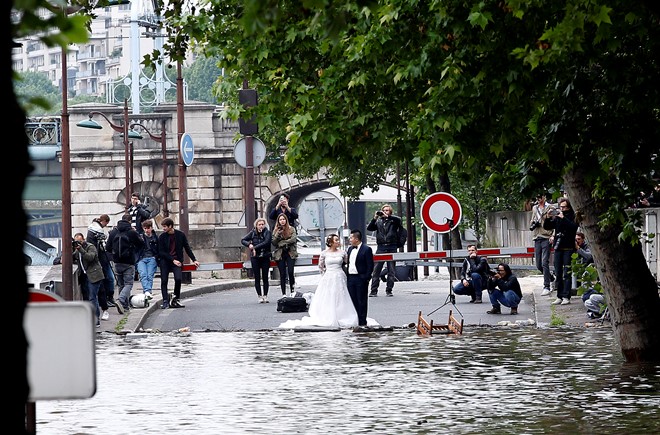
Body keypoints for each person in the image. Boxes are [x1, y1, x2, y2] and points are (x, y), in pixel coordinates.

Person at [279, 234, 379, 329]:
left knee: (344, 296)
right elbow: (320, 266)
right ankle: (329, 316)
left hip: (340, 275)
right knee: (329, 296)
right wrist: (324, 275)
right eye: (336, 240)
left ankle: (351, 317)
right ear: (331, 242)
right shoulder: (324, 253)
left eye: (338, 240)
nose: (338, 241)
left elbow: (348, 262)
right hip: (329, 275)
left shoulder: (343, 252)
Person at [158, 217, 200, 309]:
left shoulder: (180, 235)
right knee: (164, 281)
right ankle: (165, 300)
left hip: (177, 261)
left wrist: (194, 260)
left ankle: (175, 299)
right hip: (166, 261)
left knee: (178, 279)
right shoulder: (162, 237)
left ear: (170, 226)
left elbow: (187, 247)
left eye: (165, 226)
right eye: (163, 227)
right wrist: (172, 260)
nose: (163, 229)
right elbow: (161, 252)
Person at [543, 197, 579, 305]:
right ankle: (559, 295)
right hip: (558, 247)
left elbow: (573, 228)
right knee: (558, 272)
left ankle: (566, 296)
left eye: (564, 207)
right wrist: (548, 217)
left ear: (568, 207)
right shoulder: (558, 216)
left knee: (567, 273)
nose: (561, 209)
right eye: (560, 207)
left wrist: (563, 218)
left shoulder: (572, 216)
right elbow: (548, 227)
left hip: (568, 247)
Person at [106, 214, 144, 313]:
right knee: (128, 284)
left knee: (121, 284)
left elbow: (108, 247)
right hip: (129, 261)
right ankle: (121, 300)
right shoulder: (131, 232)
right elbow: (141, 244)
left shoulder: (114, 231)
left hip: (117, 262)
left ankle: (124, 307)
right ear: (130, 221)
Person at [367, 203, 402, 297]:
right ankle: (373, 290)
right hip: (381, 247)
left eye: (387, 210)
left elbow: (399, 220)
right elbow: (369, 228)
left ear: (390, 211)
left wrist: (388, 216)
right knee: (376, 270)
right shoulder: (378, 221)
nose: (385, 212)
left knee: (391, 270)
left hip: (392, 247)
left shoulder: (394, 221)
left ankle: (389, 290)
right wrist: (374, 218)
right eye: (384, 210)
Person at [72, 232, 105, 327]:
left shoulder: (90, 247)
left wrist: (81, 249)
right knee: (87, 298)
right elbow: (72, 257)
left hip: (94, 275)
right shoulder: (77, 250)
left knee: (92, 297)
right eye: (76, 242)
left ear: (83, 239)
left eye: (80, 241)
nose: (78, 244)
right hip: (84, 276)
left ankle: (96, 319)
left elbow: (90, 257)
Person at [86, 214, 116, 310]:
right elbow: (102, 248)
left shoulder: (92, 229)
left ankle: (106, 300)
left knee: (105, 280)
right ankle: (108, 299)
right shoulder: (98, 231)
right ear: (104, 221)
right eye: (106, 224)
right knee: (108, 279)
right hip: (101, 260)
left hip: (99, 260)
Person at [346, 229, 375, 326]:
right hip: (351, 277)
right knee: (352, 300)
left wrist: (366, 278)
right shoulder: (350, 249)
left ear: (356, 239)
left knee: (361, 300)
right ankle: (355, 320)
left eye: (351, 238)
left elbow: (370, 265)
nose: (349, 240)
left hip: (360, 278)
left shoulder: (366, 249)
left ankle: (362, 322)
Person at [530, 193, 556, 296]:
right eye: (537, 197)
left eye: (540, 197)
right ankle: (552, 278)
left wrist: (553, 235)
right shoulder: (535, 208)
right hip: (537, 237)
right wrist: (533, 223)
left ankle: (546, 286)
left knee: (545, 262)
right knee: (538, 264)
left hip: (546, 236)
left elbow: (555, 222)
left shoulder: (551, 207)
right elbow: (532, 220)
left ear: (544, 197)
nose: (539, 199)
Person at [241, 217, 272, 303]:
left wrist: (255, 247)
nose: (261, 226)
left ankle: (265, 295)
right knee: (257, 277)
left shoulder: (267, 233)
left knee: (265, 277)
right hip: (255, 257)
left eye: (262, 224)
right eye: (259, 225)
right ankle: (259, 296)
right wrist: (249, 245)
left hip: (265, 256)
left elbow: (266, 242)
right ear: (256, 226)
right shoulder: (253, 233)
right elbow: (243, 240)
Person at [272, 213, 298, 297]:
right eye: (280, 220)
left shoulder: (291, 229)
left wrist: (283, 242)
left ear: (286, 220)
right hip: (280, 254)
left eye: (283, 219)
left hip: (290, 253)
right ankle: (283, 293)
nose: (282, 221)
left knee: (290, 271)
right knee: (282, 273)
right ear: (278, 221)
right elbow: (274, 242)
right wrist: (278, 235)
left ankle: (292, 290)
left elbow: (293, 239)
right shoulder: (276, 230)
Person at [136, 219, 159, 300]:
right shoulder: (140, 237)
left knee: (150, 275)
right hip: (141, 258)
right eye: (145, 228)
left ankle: (147, 291)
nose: (146, 230)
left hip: (151, 258)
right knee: (143, 275)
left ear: (151, 228)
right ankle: (147, 291)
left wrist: (156, 257)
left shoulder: (155, 237)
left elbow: (158, 248)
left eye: (148, 228)